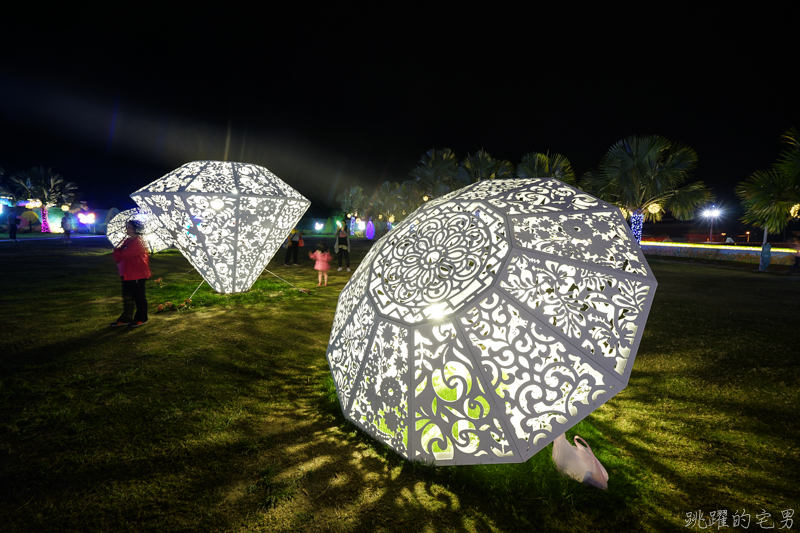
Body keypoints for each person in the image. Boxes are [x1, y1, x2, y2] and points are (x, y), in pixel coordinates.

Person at [110, 220, 151, 327]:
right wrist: (118, 251)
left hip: (136, 274)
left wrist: (117, 251)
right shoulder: (127, 241)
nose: (126, 229)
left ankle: (141, 318)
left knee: (139, 297)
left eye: (129, 227)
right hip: (126, 273)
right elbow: (117, 257)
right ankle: (126, 318)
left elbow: (124, 254)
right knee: (127, 296)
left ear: (136, 229)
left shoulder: (139, 242)